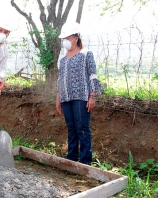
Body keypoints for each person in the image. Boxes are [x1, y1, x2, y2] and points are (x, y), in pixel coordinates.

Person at [56, 22, 103, 165]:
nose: (65, 41)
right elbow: (60, 79)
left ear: (76, 38)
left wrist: (92, 96)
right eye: (64, 38)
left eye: (68, 38)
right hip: (66, 97)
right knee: (71, 128)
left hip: (81, 96)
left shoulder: (86, 54)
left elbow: (92, 75)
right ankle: (71, 159)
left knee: (82, 128)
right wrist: (58, 98)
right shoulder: (63, 59)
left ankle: (85, 162)